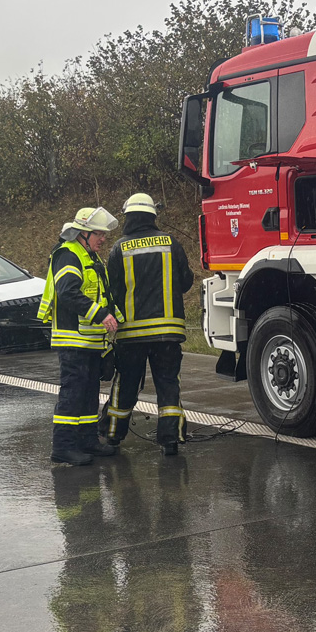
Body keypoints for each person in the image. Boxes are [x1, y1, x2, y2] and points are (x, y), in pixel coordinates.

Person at [100, 193, 194, 456]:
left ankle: (113, 436)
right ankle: (170, 440)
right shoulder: (171, 243)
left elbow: (112, 291)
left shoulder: (119, 248)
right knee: (168, 384)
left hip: (131, 335)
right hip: (168, 332)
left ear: (128, 217)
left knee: (126, 383)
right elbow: (186, 281)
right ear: (153, 215)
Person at [36, 207, 124, 465]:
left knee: (88, 393)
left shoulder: (91, 258)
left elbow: (103, 296)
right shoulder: (68, 255)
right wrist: (100, 315)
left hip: (89, 341)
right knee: (72, 393)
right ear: (83, 234)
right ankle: (63, 447)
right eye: (99, 233)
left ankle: (87, 441)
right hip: (73, 340)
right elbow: (67, 293)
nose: (103, 239)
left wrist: (116, 317)